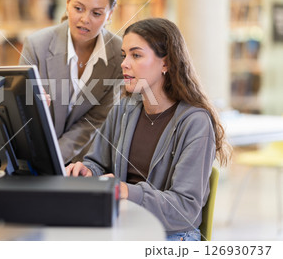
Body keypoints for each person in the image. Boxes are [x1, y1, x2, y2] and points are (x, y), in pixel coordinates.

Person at [66, 18, 231, 241]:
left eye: (136, 55)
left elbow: (185, 210)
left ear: (166, 63)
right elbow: (98, 162)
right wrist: (88, 172)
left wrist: (126, 191)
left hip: (172, 235)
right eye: (124, 55)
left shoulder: (195, 122)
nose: (124, 63)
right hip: (125, 225)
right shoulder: (124, 109)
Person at [19, 0, 123, 163]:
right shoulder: (36, 45)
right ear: (67, 2)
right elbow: (20, 112)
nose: (85, 19)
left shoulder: (118, 54)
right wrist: (31, 104)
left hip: (86, 164)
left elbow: (95, 119)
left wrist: (55, 157)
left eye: (96, 13)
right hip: (36, 157)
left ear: (110, 13)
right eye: (78, 8)